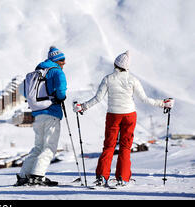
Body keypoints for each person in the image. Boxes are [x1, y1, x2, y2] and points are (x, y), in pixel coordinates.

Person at [73, 51, 174, 186]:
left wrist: (83, 107)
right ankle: (123, 178)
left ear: (115, 64)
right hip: (129, 115)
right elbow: (144, 99)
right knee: (125, 147)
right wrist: (163, 103)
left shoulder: (108, 78)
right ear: (127, 67)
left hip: (113, 116)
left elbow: (97, 99)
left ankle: (102, 177)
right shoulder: (133, 79)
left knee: (109, 146)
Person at [15, 46, 67, 186]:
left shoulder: (37, 73)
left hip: (37, 114)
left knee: (38, 146)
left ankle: (24, 175)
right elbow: (61, 90)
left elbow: (24, 91)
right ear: (56, 60)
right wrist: (60, 97)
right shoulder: (56, 72)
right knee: (49, 147)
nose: (64, 63)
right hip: (52, 112)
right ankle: (38, 176)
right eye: (62, 60)